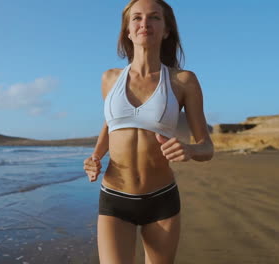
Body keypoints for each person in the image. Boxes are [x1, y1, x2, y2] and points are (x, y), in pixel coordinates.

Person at [83, 0, 214, 263]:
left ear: (166, 30)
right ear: (127, 31)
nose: (145, 23)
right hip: (115, 197)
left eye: (154, 18)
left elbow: (206, 147)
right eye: (137, 18)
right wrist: (95, 156)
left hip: (161, 199)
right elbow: (111, 124)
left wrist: (189, 149)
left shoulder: (183, 81)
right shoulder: (109, 78)